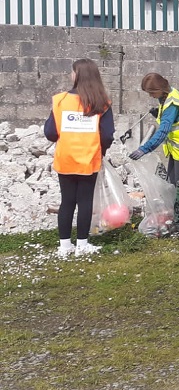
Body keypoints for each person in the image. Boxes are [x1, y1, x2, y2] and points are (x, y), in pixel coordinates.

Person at [44, 59, 115, 258]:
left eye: (72, 72)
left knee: (67, 201)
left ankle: (65, 245)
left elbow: (50, 132)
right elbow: (107, 135)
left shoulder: (60, 100)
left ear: (77, 75)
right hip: (89, 159)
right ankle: (82, 244)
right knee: (85, 201)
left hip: (65, 158)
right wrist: (101, 150)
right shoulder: (102, 103)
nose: (70, 75)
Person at [128, 73, 179, 186]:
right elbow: (174, 120)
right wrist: (158, 114)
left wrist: (144, 149)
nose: (151, 96)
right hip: (177, 147)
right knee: (172, 183)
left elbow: (163, 132)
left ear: (159, 89)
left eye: (152, 92)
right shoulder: (170, 93)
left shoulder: (172, 104)